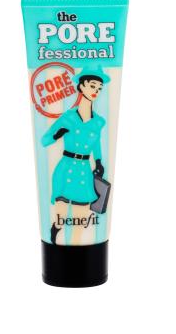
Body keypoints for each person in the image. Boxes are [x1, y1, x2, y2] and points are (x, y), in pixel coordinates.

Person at [41, 66, 110, 245]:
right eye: (92, 86)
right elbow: (44, 140)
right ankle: (55, 234)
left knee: (81, 220)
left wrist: (99, 161)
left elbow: (96, 143)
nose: (96, 91)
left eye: (99, 88)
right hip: (66, 169)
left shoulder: (98, 122)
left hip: (84, 172)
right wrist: (57, 135)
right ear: (81, 86)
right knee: (60, 217)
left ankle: (81, 254)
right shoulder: (68, 117)